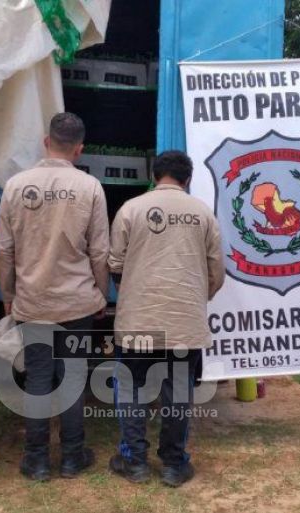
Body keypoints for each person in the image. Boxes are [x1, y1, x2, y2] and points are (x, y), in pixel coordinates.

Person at [0, 112, 109, 481]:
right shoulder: (90, 187)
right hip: (77, 301)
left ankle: (37, 459)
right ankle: (73, 457)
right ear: (79, 149)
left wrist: (8, 294)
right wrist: (101, 294)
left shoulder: (16, 185)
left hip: (33, 300)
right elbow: (100, 252)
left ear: (46, 141)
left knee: (40, 376)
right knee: (73, 375)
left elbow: (2, 250)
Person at [107, 150, 224, 487]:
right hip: (183, 322)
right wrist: (197, 298)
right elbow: (217, 270)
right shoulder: (202, 213)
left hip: (138, 322)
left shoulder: (131, 209)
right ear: (187, 179)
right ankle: (173, 465)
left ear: (154, 175)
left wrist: (132, 295)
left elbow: (115, 263)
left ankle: (134, 462)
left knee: (131, 389)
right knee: (178, 392)